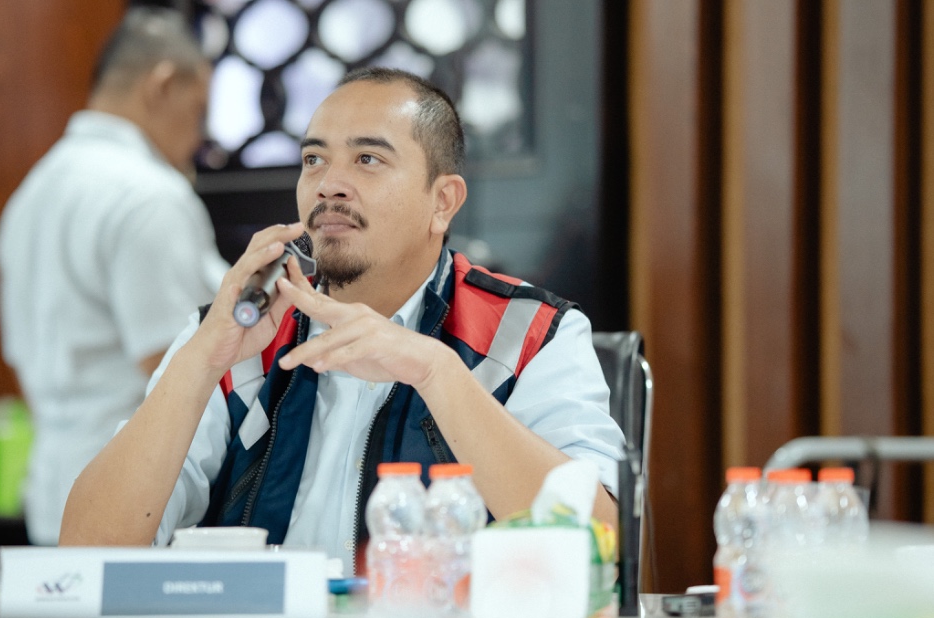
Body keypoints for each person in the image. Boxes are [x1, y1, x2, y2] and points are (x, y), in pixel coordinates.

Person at [60, 68, 624, 565]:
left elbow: (598, 541)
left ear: (443, 202)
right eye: (314, 159)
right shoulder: (237, 335)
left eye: (367, 159)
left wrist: (435, 372)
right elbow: (88, 552)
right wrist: (200, 361)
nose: (328, 184)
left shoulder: (528, 332)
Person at [0, 8, 227, 545]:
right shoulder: (148, 196)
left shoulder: (34, 190)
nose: (199, 138)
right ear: (162, 85)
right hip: (134, 501)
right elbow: (175, 364)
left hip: (52, 490)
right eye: (198, 112)